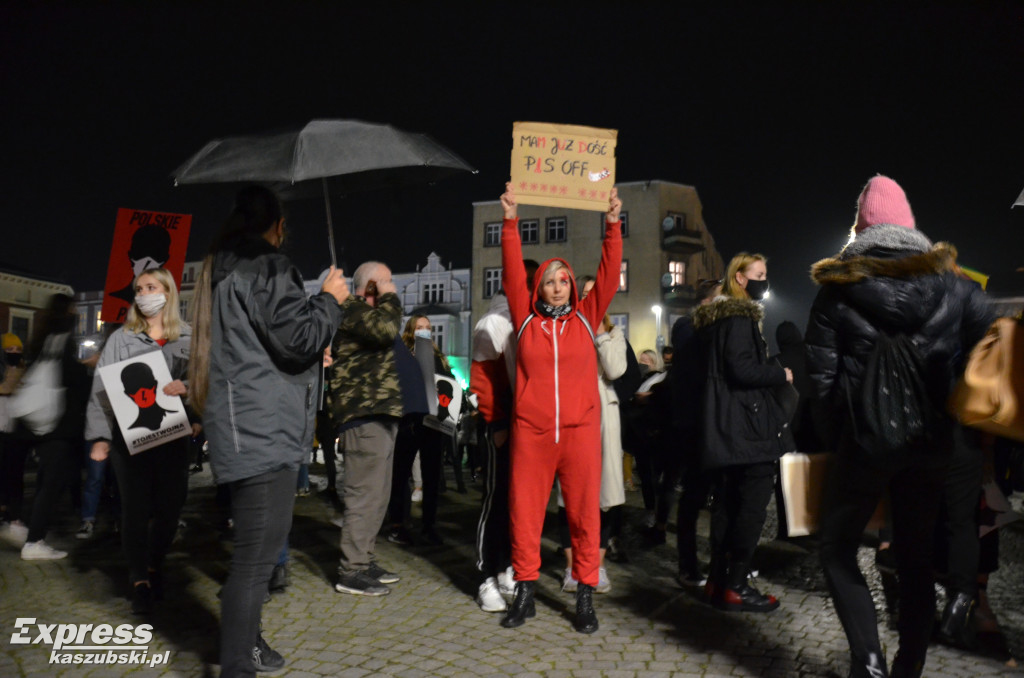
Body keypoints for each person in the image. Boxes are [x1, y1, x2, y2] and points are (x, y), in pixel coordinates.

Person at [805, 175, 993, 678]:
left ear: (862, 227)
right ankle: (909, 667)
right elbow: (988, 355)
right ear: (911, 226)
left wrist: (839, 438)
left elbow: (819, 378)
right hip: (931, 442)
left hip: (864, 443)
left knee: (838, 549)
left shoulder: (837, 291)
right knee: (914, 559)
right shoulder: (957, 288)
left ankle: (868, 662)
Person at [189, 186, 348, 677]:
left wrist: (311, 342)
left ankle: (249, 645)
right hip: (261, 428)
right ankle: (238, 664)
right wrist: (329, 301)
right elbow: (296, 336)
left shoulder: (227, 266)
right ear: (276, 225)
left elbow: (272, 345)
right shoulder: (265, 266)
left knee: (258, 550)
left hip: (250, 421)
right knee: (256, 558)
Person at [499, 183, 622, 634]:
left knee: (584, 515)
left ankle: (584, 594)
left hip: (580, 432)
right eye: (549, 281)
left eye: (563, 280)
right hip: (532, 432)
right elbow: (511, 270)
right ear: (538, 286)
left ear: (572, 284)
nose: (556, 287)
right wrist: (511, 221)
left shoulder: (587, 318)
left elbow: (609, 272)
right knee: (525, 513)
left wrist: (612, 225)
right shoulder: (525, 318)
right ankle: (525, 593)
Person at [693, 252, 792, 612]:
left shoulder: (712, 322)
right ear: (739, 278)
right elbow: (742, 369)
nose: (765, 280)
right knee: (750, 508)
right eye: (759, 274)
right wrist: (780, 374)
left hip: (725, 427)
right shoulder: (738, 318)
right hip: (747, 428)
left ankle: (719, 582)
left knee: (728, 505)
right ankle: (736, 584)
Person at [87, 270, 193, 604]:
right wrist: (100, 437)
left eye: (151, 287)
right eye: (139, 289)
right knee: (134, 508)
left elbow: (206, 380)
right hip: (127, 439)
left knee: (169, 508)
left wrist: (188, 390)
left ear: (168, 292)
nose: (144, 294)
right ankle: (138, 578)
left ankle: (154, 564)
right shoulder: (121, 338)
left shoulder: (189, 337)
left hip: (173, 437)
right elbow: (101, 390)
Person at [327, 260, 404, 597]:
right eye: (386, 282)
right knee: (363, 496)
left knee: (378, 495)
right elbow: (387, 331)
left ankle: (364, 559)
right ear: (372, 286)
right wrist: (389, 298)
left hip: (381, 413)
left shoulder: (369, 314)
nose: (392, 287)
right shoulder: (353, 308)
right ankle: (351, 570)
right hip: (364, 413)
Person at [470, 259, 539, 613]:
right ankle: (485, 576)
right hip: (504, 422)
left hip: (527, 422)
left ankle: (507, 566)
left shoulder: (525, 316)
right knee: (496, 498)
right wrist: (496, 423)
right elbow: (483, 377)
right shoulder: (495, 321)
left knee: (520, 500)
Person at [557, 275, 627, 596]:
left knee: (605, 497)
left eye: (594, 294)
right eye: (583, 295)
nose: (588, 299)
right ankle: (572, 568)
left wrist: (598, 332)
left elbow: (614, 370)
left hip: (603, 421)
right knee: (568, 495)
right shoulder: (566, 328)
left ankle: (597, 567)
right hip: (571, 416)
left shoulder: (613, 333)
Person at [18, 294, 91, 560]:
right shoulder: (63, 340)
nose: (76, 313)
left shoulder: (41, 339)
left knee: (46, 482)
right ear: (66, 312)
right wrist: (87, 368)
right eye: (73, 308)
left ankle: (32, 535)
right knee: (52, 484)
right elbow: (70, 378)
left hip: (41, 424)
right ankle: (34, 540)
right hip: (59, 426)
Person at [670, 278, 722, 586]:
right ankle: (688, 565)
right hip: (692, 425)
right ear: (707, 301)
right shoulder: (687, 326)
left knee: (719, 497)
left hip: (713, 422)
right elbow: (694, 366)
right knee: (693, 497)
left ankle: (721, 561)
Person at [387, 315, 453, 545]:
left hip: (434, 422)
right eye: (420, 328)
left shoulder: (438, 357)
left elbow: (449, 383)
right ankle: (398, 522)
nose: (425, 331)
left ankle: (429, 524)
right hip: (409, 420)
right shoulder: (403, 354)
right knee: (401, 473)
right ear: (410, 330)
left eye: (428, 328)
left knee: (432, 475)